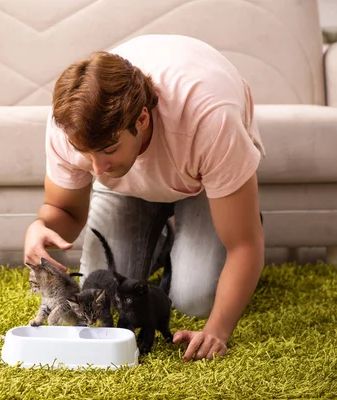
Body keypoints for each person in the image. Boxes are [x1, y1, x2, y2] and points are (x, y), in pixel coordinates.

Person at [23, 34, 266, 362]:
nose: (98, 170)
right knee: (101, 294)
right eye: (87, 155)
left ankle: (219, 218)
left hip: (201, 179)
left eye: (108, 150)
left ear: (142, 119)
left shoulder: (210, 120)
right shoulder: (70, 127)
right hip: (133, 185)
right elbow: (62, 209)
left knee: (195, 298)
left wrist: (216, 332)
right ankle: (165, 235)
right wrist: (40, 227)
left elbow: (244, 245)